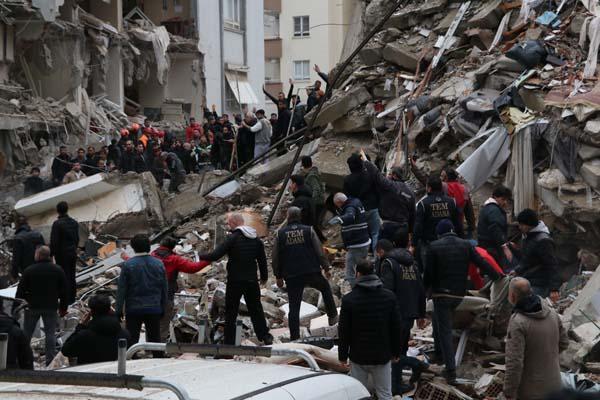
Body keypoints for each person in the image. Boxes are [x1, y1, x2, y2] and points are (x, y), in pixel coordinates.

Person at [424, 219, 500, 384]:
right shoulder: (466, 245)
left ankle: (450, 370)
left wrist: (424, 293)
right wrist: (497, 276)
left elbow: (428, 274)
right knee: (438, 322)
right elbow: (481, 262)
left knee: (444, 330)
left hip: (440, 295)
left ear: (439, 233)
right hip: (458, 295)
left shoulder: (433, 247)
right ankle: (438, 354)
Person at [199, 213, 273, 345]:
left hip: (235, 281)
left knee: (231, 311)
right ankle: (265, 336)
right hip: (251, 281)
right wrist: (264, 277)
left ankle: (229, 342)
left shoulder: (232, 238)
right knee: (256, 309)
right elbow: (262, 260)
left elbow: (216, 255)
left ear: (233, 223)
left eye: (229, 224)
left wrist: (201, 256)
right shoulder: (256, 239)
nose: (228, 226)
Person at [338, 260, 401, 400]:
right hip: (382, 355)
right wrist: (396, 351)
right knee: (385, 394)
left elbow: (343, 330)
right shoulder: (389, 297)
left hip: (358, 355)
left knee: (358, 395)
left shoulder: (349, 300)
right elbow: (396, 327)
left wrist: (342, 355)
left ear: (358, 274)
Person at [272, 207, 338, 340]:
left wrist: (278, 276)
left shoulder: (281, 234)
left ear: (288, 216)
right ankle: (332, 316)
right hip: (311, 271)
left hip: (292, 275)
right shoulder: (309, 230)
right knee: (325, 288)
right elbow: (319, 251)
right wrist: (326, 267)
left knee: (294, 307)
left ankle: (295, 337)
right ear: (300, 216)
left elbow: (276, 257)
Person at [375, 238, 427, 395]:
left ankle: (415, 365)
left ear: (381, 251)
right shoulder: (412, 264)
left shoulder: (388, 264)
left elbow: (387, 292)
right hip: (410, 314)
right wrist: (421, 314)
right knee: (400, 349)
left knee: (392, 352)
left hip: (395, 315)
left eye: (378, 253)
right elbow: (420, 289)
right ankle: (396, 384)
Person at [503, 277, 568, 400]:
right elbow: (564, 343)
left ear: (512, 296)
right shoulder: (552, 313)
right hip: (555, 385)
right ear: (531, 291)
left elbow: (515, 362)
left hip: (531, 391)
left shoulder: (518, 322)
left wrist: (509, 391)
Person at [115, 234, 167, 355]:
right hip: (154, 307)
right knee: (155, 339)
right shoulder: (158, 264)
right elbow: (164, 287)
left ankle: (131, 364)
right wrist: (162, 307)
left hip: (134, 308)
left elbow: (122, 290)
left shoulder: (128, 265)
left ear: (133, 248)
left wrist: (118, 310)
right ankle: (158, 362)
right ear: (149, 247)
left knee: (132, 340)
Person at [16, 246, 68, 366]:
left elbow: (20, 291)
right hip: (51, 306)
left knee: (27, 334)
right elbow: (64, 291)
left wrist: (19, 305)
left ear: (38, 255)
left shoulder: (29, 270)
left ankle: (23, 359)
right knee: (50, 334)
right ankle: (50, 361)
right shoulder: (57, 270)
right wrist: (63, 308)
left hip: (32, 306)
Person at [151, 236, 210, 341]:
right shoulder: (174, 259)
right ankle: (158, 350)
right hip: (166, 294)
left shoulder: (152, 256)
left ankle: (148, 347)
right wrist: (209, 260)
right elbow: (193, 268)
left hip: (150, 294)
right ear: (172, 247)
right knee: (163, 324)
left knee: (151, 323)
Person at [62, 294, 130, 365]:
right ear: (110, 310)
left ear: (91, 312)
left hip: (89, 374)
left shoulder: (84, 336)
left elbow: (66, 350)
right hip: (114, 373)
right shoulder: (124, 335)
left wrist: (81, 326)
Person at [413, 176, 460, 271]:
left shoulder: (423, 204)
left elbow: (418, 226)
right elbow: (458, 223)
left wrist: (413, 243)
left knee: (429, 273)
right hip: (448, 244)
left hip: (428, 244)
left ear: (429, 188)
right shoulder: (451, 202)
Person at [364, 160, 415, 244]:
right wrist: (410, 231)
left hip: (388, 226)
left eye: (390, 174)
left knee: (384, 251)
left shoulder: (390, 186)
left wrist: (367, 162)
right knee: (400, 251)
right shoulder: (410, 192)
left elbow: (377, 176)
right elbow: (413, 213)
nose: (387, 176)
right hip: (403, 227)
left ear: (394, 175)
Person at [512, 209, 560, 298]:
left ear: (529, 224)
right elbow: (527, 259)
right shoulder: (529, 236)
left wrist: (554, 289)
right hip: (529, 280)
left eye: (522, 224)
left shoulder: (543, 241)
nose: (520, 227)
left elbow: (552, 264)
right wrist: (517, 270)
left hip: (539, 284)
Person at [329, 193, 371, 286]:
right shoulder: (356, 202)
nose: (338, 207)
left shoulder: (350, 207)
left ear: (340, 202)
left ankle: (353, 289)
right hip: (364, 241)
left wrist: (339, 219)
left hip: (357, 244)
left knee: (350, 270)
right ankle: (364, 284)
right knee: (362, 267)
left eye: (337, 205)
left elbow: (350, 216)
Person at [344, 153, 380, 252]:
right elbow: (377, 190)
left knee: (362, 236)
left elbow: (347, 199)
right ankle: (376, 259)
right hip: (373, 208)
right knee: (375, 233)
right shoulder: (369, 175)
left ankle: (363, 260)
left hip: (359, 211)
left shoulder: (347, 180)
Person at [477, 185, 513, 270]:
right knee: (496, 271)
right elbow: (495, 228)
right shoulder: (494, 210)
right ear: (495, 197)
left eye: (506, 200)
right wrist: (505, 247)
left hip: (485, 245)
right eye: (503, 199)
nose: (505, 203)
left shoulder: (488, 207)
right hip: (492, 247)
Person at [50, 201, 79, 304]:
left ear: (58, 211)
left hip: (61, 255)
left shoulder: (57, 224)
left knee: (63, 276)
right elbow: (76, 239)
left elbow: (54, 241)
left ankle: (65, 299)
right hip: (72, 253)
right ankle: (72, 297)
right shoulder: (74, 223)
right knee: (72, 275)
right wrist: (74, 249)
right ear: (67, 209)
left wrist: (51, 254)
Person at [442, 168, 475, 238]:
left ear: (446, 177)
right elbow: (469, 211)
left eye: (442, 176)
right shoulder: (464, 189)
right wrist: (471, 226)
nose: (440, 178)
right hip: (459, 224)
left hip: (443, 224)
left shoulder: (443, 187)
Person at [0, 300, 33, 369]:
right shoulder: (16, 331)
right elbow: (27, 361)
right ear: (2, 308)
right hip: (10, 375)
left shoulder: (15, 330)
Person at [300, 156, 326, 241]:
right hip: (319, 202)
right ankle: (320, 239)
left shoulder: (311, 176)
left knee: (313, 223)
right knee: (313, 223)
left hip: (317, 203)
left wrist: (311, 201)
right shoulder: (315, 172)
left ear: (303, 165)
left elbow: (316, 189)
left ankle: (321, 240)